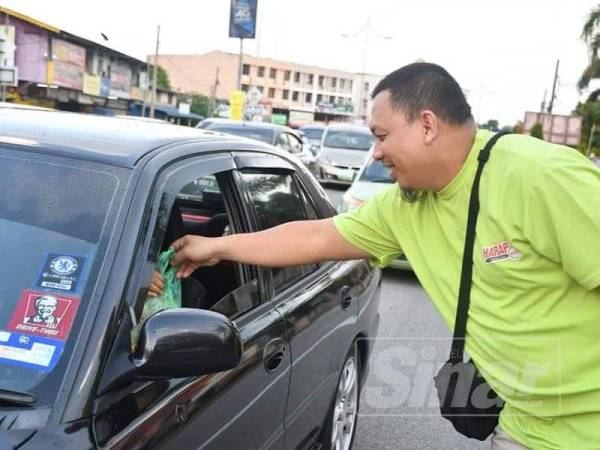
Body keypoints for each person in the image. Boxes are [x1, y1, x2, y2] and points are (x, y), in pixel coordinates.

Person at [169, 63, 600, 450]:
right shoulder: (405, 207)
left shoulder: (539, 178)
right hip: (523, 428)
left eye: (381, 136)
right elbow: (316, 236)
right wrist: (217, 246)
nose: (374, 153)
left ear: (427, 125)